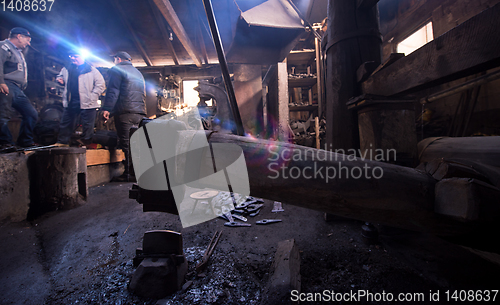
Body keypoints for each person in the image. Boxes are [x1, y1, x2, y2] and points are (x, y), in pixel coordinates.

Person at [101, 51, 146, 182]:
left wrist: (107, 109)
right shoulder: (138, 73)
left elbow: (113, 91)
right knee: (137, 143)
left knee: (127, 143)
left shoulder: (117, 70)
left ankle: (130, 174)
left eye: (114, 59)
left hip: (125, 111)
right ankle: (137, 172)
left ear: (118, 59)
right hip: (139, 112)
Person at [55, 50, 105, 146]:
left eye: (75, 56)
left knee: (87, 125)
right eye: (71, 56)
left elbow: (101, 85)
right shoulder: (67, 68)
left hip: (87, 102)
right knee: (66, 123)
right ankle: (62, 142)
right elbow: (60, 76)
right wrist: (59, 80)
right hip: (71, 100)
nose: (73, 58)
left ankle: (85, 142)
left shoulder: (92, 70)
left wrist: (93, 96)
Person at [0, 27, 38, 152]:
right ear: (19, 36)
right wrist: (1, 82)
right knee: (3, 115)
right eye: (27, 39)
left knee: (31, 113)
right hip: (7, 84)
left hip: (17, 88)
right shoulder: (4, 47)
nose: (28, 43)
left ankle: (25, 141)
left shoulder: (18, 52)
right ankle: (5, 142)